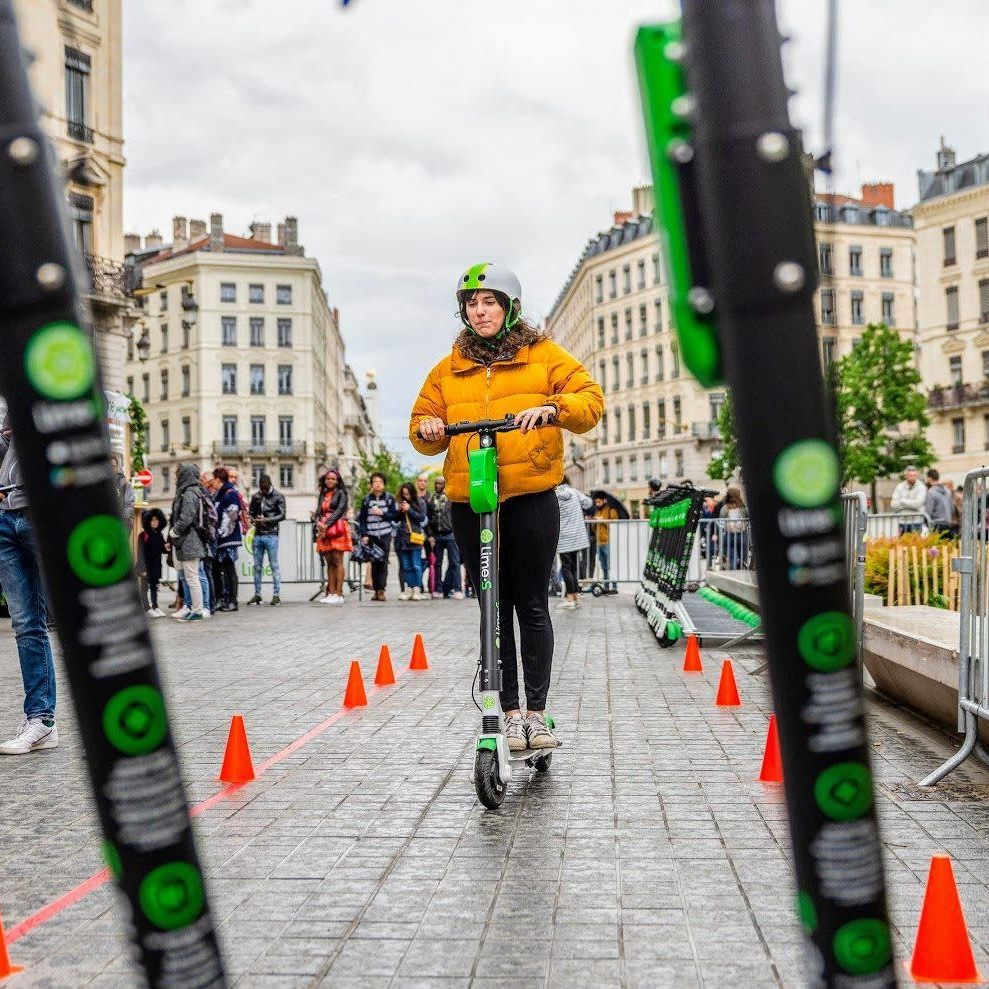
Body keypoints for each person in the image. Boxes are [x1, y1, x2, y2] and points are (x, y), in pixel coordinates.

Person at [410, 262, 603, 752]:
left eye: (489, 302)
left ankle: (536, 715)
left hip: (530, 497)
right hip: (472, 501)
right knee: (490, 608)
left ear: (510, 306)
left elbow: (589, 400)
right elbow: (422, 421)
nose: (480, 311)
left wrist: (554, 409)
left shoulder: (543, 355)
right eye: (472, 304)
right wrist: (429, 430)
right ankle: (507, 712)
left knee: (531, 604)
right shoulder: (450, 366)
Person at [0, 412, 58, 754]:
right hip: (7, 514)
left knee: (78, 614)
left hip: (43, 512)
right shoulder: (13, 394)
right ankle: (42, 719)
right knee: (25, 623)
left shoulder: (58, 382)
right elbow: (7, 447)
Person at [168, 463, 211, 622]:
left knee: (192, 577)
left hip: (189, 540)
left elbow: (186, 518)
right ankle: (194, 608)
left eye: (179, 475)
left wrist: (174, 531)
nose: (177, 478)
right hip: (188, 540)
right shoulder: (191, 492)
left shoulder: (189, 493)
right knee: (189, 577)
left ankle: (198, 610)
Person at [314, 468, 352, 604]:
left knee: (338, 561)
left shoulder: (341, 493)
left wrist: (326, 524)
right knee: (329, 562)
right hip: (325, 530)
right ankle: (330, 592)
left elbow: (340, 510)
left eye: (333, 479)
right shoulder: (323, 493)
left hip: (337, 529)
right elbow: (318, 510)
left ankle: (338, 593)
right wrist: (317, 522)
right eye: (328, 478)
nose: (330, 481)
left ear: (337, 481)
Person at [358, 472, 398, 601]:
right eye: (375, 482)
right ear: (371, 484)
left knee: (384, 563)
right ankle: (375, 590)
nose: (377, 484)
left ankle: (382, 590)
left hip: (385, 534)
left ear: (384, 484)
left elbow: (394, 515)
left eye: (380, 482)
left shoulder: (389, 498)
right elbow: (362, 519)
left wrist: (382, 513)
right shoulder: (366, 499)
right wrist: (364, 534)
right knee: (374, 563)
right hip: (371, 535)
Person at [248, 473, 286, 605]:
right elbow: (250, 513)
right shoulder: (256, 496)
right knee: (257, 566)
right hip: (258, 535)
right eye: (261, 488)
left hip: (271, 534)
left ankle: (276, 594)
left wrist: (266, 520)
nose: (263, 491)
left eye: (265, 488)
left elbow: (282, 515)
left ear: (269, 485)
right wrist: (254, 521)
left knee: (274, 565)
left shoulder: (278, 496)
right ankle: (257, 594)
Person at [556, 478, 593, 609]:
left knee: (566, 567)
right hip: (576, 537)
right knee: (574, 567)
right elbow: (588, 504)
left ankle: (570, 597)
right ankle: (576, 597)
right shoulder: (574, 492)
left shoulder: (554, 496)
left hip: (563, 537)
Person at [212, 467, 243, 610]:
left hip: (228, 538)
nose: (212, 482)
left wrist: (221, 531)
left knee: (229, 570)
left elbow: (233, 516)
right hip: (222, 539)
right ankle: (224, 599)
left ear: (218, 480)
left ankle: (232, 601)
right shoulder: (221, 494)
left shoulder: (230, 493)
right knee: (221, 569)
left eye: (214, 480)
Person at [427, 476, 463, 599]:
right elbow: (428, 519)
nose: (437, 486)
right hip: (437, 535)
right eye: (436, 483)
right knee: (437, 563)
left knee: (455, 562)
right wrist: (430, 535)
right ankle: (437, 589)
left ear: (445, 484)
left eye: (440, 483)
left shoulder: (451, 498)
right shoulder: (431, 499)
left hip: (450, 534)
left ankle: (458, 588)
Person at [394, 481, 428, 601]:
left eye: (408, 494)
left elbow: (422, 517)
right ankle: (409, 588)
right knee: (406, 566)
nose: (406, 496)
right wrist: (399, 510)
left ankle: (417, 589)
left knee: (416, 565)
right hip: (403, 538)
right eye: (404, 494)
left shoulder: (420, 502)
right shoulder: (400, 502)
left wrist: (409, 510)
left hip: (415, 538)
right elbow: (395, 519)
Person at [141, 508, 168, 617]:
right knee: (144, 587)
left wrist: (167, 548)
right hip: (146, 565)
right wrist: (141, 568)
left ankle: (155, 606)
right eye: (152, 520)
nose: (155, 522)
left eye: (157, 520)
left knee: (154, 587)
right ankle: (146, 607)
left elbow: (163, 549)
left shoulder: (159, 534)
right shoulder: (143, 535)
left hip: (156, 565)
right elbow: (140, 552)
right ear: (148, 521)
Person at [592, 494, 619, 590]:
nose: (597, 504)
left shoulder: (611, 510)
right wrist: (594, 522)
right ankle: (607, 586)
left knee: (611, 566)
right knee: (604, 567)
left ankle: (614, 587)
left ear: (604, 501)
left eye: (599, 502)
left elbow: (614, 524)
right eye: (596, 502)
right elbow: (594, 528)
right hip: (599, 542)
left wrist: (602, 520)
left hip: (608, 541)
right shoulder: (597, 511)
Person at [719, 487, 750, 570]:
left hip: (730, 535)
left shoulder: (724, 508)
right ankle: (741, 576)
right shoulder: (743, 508)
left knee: (732, 558)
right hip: (740, 534)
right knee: (742, 559)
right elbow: (748, 520)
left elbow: (720, 522)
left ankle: (734, 576)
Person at [890, 465, 927, 533]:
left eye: (914, 476)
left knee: (916, 543)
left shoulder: (921, 487)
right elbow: (893, 505)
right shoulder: (900, 486)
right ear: (906, 476)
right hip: (902, 522)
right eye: (910, 476)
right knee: (902, 543)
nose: (912, 478)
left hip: (916, 522)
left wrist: (901, 501)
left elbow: (918, 504)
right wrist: (911, 504)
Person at [415, 472, 432, 592]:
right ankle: (418, 585)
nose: (422, 483)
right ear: (417, 482)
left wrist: (431, 535)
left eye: (425, 481)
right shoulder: (413, 497)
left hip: (428, 534)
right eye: (420, 480)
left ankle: (430, 586)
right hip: (416, 534)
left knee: (429, 561)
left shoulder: (430, 497)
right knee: (417, 561)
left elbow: (433, 517)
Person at [924, 468, 953, 536]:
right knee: (946, 546)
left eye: (926, 478)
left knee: (936, 546)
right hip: (948, 524)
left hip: (937, 525)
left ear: (929, 478)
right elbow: (952, 508)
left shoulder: (931, 492)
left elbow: (928, 512)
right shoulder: (946, 491)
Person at [110, 454, 135, 529]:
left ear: (117, 467)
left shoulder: (124, 484)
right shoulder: (100, 485)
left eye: (113, 466)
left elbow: (129, 505)